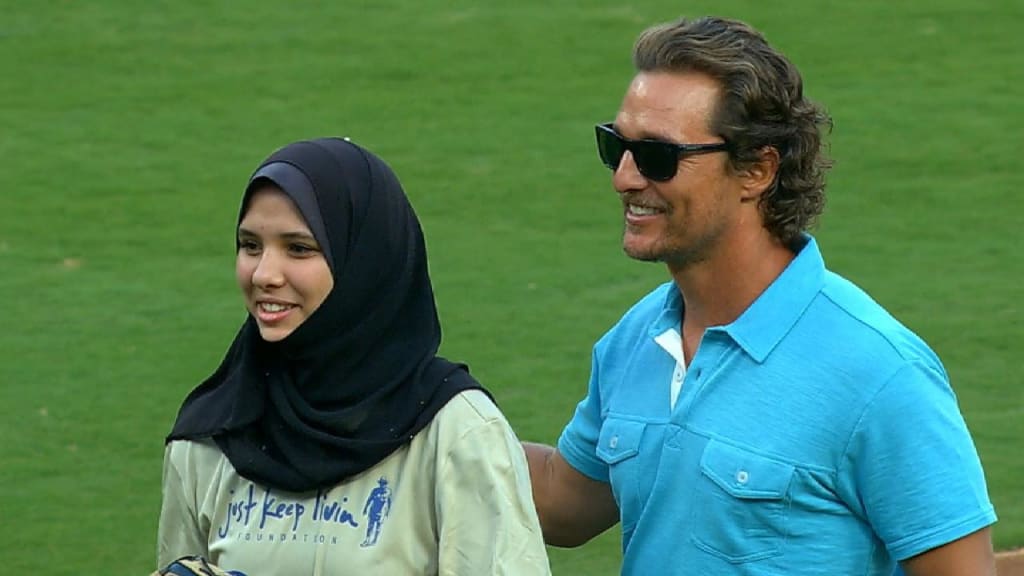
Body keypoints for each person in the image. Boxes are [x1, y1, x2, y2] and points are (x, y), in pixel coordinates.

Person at [523, 15, 997, 576]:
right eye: (616, 146)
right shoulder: (636, 340)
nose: (624, 178)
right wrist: (435, 418)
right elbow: (565, 503)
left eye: (657, 156)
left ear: (756, 170)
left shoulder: (879, 375)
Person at [156, 137, 551, 575]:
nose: (264, 274)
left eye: (299, 249)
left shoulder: (456, 434)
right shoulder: (208, 438)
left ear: (364, 262)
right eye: (250, 245)